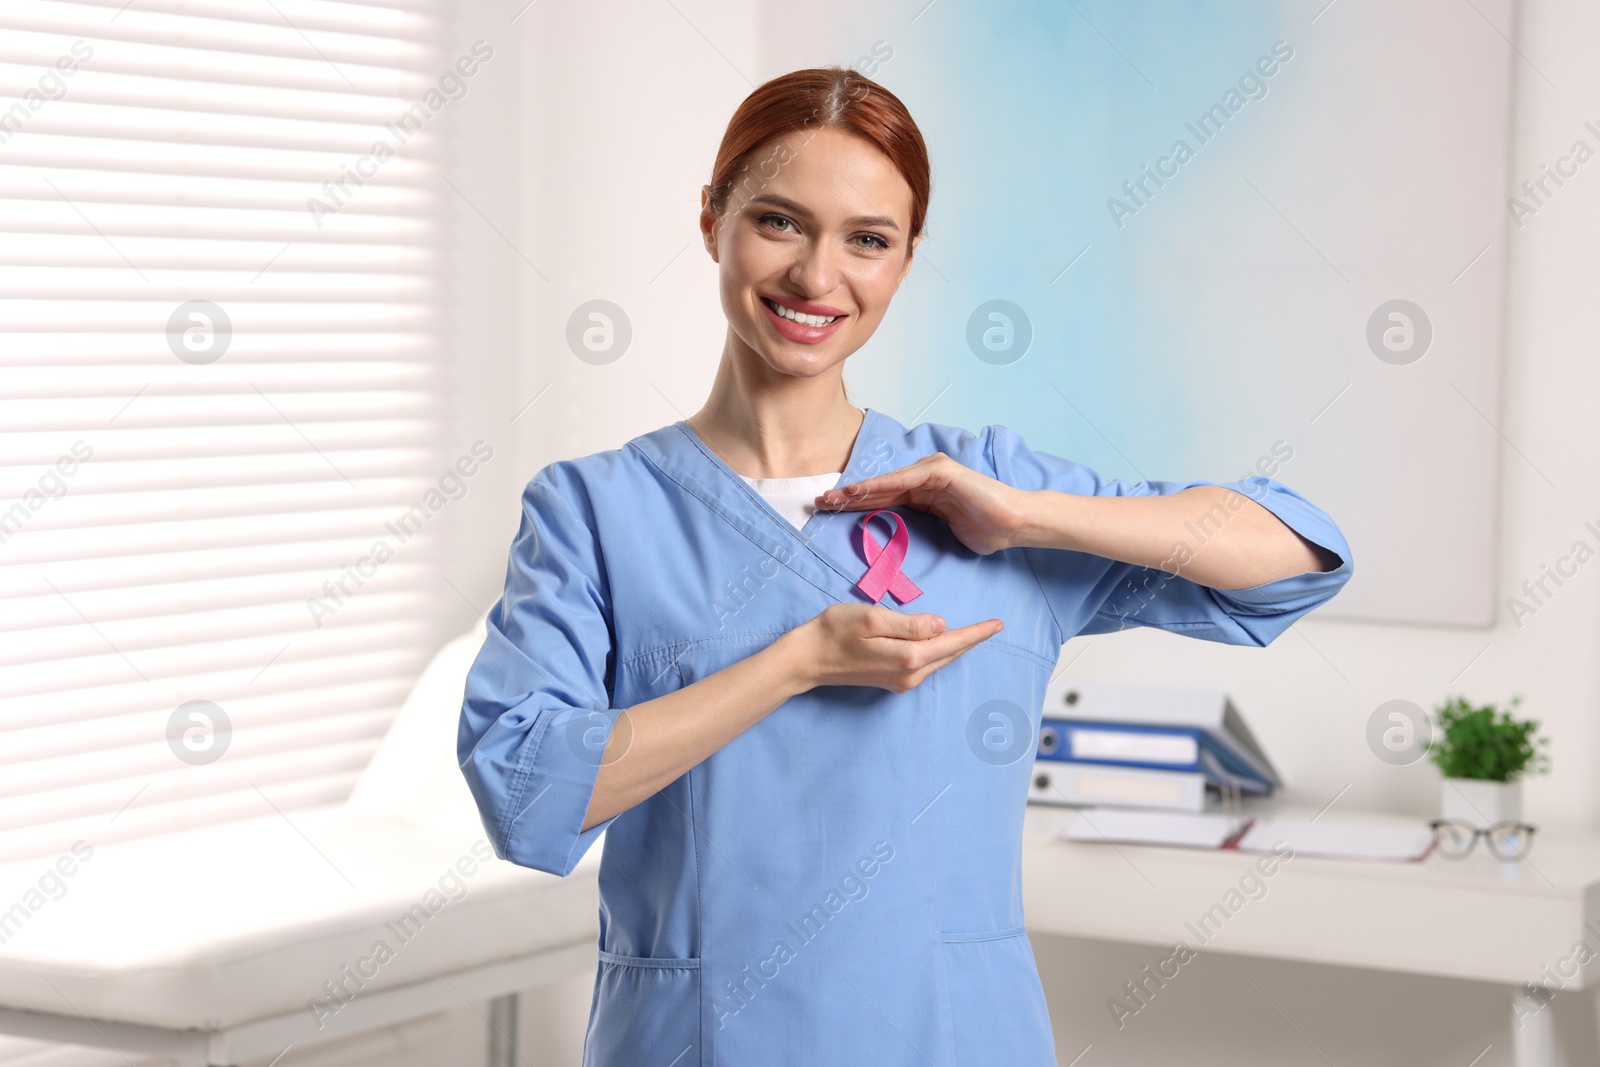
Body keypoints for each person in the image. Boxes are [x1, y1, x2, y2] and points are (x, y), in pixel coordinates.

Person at [458, 66, 1351, 1067]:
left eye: (867, 240)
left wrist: (1026, 512)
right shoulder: (594, 510)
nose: (815, 277)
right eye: (780, 222)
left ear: (906, 259)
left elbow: (1294, 553)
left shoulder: (980, 492)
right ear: (711, 220)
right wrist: (795, 662)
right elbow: (527, 791)